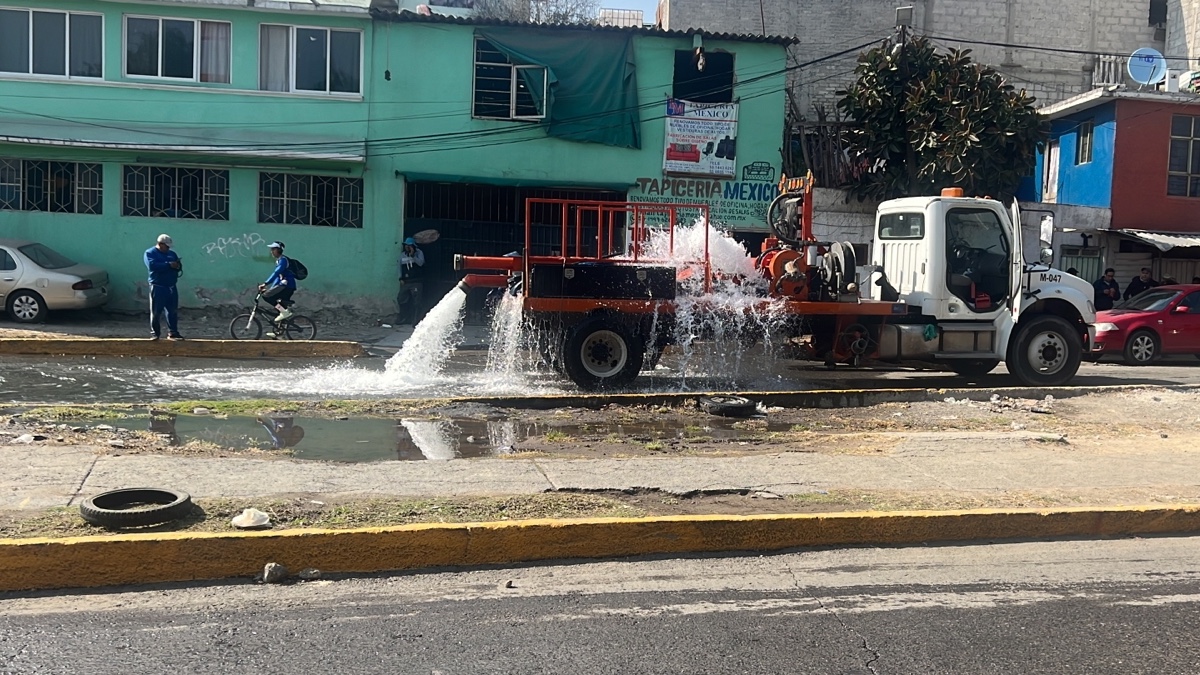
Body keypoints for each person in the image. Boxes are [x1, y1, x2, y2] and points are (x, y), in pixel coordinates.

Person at [144, 233, 183, 340]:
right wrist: (168, 265)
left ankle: (173, 332)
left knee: (172, 310)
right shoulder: (150, 253)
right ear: (160, 244)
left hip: (171, 286)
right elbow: (153, 266)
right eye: (166, 246)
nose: (168, 248)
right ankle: (155, 333)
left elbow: (177, 267)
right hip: (158, 286)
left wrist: (177, 266)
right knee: (156, 311)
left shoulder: (172, 254)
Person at [258, 241, 296, 323]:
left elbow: (276, 273)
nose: (271, 251)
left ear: (279, 250)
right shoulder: (279, 260)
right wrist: (271, 288)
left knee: (266, 296)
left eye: (273, 249)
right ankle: (279, 333)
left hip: (287, 286)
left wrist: (265, 284)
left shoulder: (283, 260)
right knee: (279, 308)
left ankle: (285, 313)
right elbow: (278, 278)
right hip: (284, 285)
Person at [397, 236, 425, 325]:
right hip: (406, 281)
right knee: (401, 299)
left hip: (416, 281)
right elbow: (399, 267)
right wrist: (400, 278)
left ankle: (416, 320)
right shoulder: (403, 255)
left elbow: (421, 263)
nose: (407, 247)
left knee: (416, 302)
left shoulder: (419, 253)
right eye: (406, 246)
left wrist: (413, 255)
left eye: (409, 246)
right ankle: (404, 318)